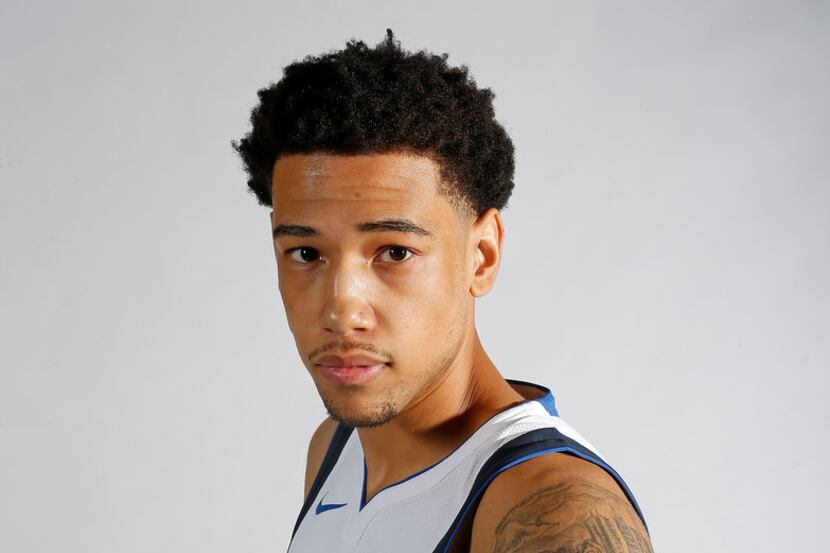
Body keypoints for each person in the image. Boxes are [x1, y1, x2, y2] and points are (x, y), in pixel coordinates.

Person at [232, 29, 653, 553]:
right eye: (307, 254)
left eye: (394, 252)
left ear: (482, 255)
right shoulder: (335, 449)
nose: (341, 310)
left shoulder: (555, 510)